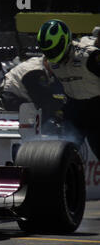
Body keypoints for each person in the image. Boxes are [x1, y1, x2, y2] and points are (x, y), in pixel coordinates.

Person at [37, 19, 100, 159]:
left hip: (97, 107)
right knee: (64, 153)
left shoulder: (89, 56)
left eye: (54, 49)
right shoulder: (51, 63)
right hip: (74, 109)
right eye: (48, 51)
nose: (52, 54)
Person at [1, 56, 66, 134]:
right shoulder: (35, 72)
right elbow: (42, 100)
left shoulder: (42, 63)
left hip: (20, 94)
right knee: (43, 118)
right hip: (12, 98)